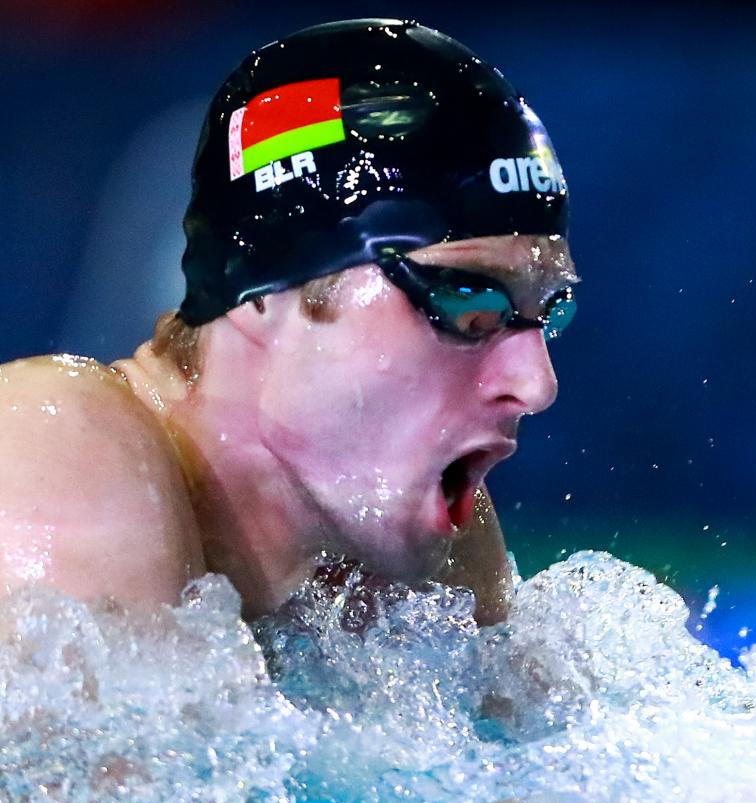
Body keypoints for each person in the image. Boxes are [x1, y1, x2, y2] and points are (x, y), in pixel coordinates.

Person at [0, 18, 578, 627]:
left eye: (551, 310)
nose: (538, 385)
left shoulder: (409, 536)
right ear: (262, 290)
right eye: (465, 301)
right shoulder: (48, 450)